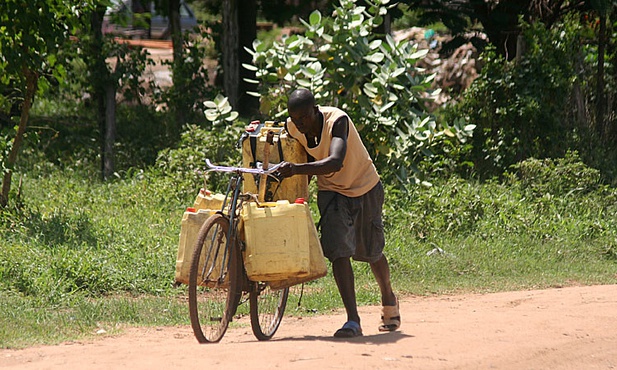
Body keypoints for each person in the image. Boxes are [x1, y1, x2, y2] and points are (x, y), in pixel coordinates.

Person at [277, 88, 400, 338]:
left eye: (304, 117)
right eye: (295, 118)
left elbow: (335, 161)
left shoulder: (337, 121)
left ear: (315, 110)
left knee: (371, 252)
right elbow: (290, 151)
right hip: (332, 191)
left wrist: (295, 170)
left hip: (364, 186)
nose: (300, 124)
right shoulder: (292, 127)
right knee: (339, 252)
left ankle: (389, 298)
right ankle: (352, 320)